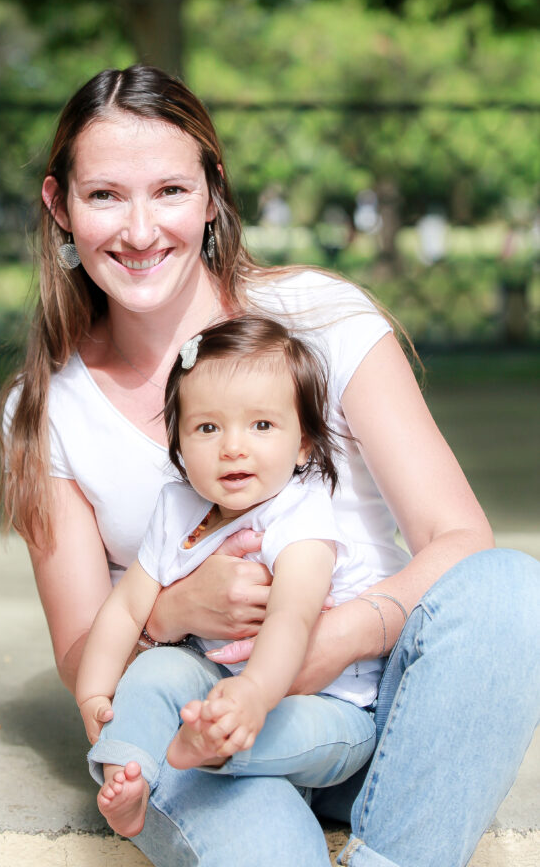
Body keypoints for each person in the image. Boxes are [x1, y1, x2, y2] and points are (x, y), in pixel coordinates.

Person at [0, 64, 539, 867]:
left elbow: (457, 535)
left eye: (170, 192)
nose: (140, 230)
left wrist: (326, 640)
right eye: (105, 195)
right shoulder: (47, 409)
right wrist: (175, 611)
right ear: (60, 208)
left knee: (508, 589)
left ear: (213, 193)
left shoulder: (322, 319)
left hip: (369, 707)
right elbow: (85, 655)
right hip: (201, 736)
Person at [79, 314, 399, 837]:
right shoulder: (176, 508)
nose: (233, 446)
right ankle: (127, 779)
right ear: (179, 445)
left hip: (325, 708)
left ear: (303, 445)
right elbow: (126, 608)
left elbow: (291, 619)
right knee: (150, 673)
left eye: (261, 425)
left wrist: (253, 693)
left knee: (281, 726)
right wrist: (93, 692)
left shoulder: (302, 515)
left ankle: (210, 750)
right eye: (208, 427)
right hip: (220, 689)